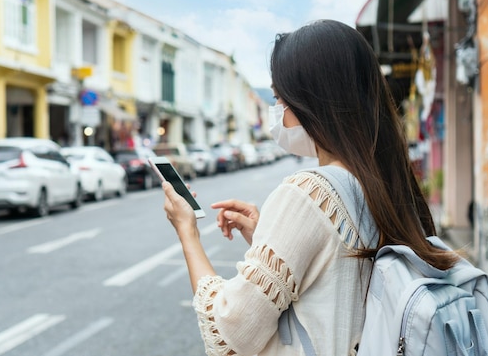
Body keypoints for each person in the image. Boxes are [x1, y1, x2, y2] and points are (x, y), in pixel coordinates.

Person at [159, 20, 458, 356]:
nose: (278, 114)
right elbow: (338, 277)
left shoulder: (307, 192)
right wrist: (267, 239)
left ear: (309, 101)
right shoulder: (385, 184)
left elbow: (229, 332)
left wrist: (187, 232)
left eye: (278, 99)